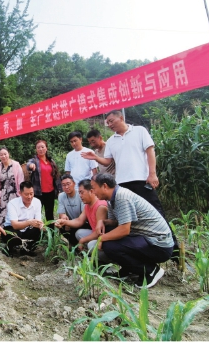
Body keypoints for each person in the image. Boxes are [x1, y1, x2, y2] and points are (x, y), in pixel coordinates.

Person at [81, 110, 179, 261]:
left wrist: (152, 173)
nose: (110, 124)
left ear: (121, 117)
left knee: (157, 214)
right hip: (122, 185)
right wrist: (95, 157)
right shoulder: (111, 141)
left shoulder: (139, 131)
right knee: (124, 220)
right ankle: (136, 250)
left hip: (141, 180)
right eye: (108, 122)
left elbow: (150, 151)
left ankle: (174, 251)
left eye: (112, 120)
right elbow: (108, 162)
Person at [91, 173, 174, 288]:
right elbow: (114, 222)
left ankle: (150, 270)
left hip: (159, 244)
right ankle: (129, 269)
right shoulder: (111, 199)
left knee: (109, 246)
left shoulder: (122, 197)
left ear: (104, 186)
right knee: (108, 230)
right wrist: (101, 222)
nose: (93, 192)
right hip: (143, 237)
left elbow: (124, 230)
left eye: (94, 188)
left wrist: (102, 238)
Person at [55, 179, 108, 257]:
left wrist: (82, 240)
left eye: (82, 192)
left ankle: (106, 263)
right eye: (79, 193)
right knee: (79, 233)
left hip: (104, 238)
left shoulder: (100, 207)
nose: (80, 195)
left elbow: (99, 233)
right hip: (95, 233)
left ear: (91, 191)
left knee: (91, 245)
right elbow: (79, 220)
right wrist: (64, 222)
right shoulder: (87, 205)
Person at [0, 146, 24, 243]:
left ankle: (11, 236)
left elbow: (21, 181)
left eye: (5, 154)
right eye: (1, 154)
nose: (3, 156)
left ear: (8, 154)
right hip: (2, 195)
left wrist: (21, 195)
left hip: (14, 194)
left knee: (13, 215)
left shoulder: (16, 165)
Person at [1, 181, 44, 257]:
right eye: (26, 194)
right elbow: (15, 225)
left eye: (31, 194)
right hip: (12, 229)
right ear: (20, 193)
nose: (29, 197)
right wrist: (29, 222)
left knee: (38, 231)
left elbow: (38, 222)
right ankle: (10, 248)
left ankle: (26, 249)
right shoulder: (12, 203)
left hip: (27, 229)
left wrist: (41, 226)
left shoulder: (37, 202)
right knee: (14, 235)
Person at [27, 140, 62, 227]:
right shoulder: (34, 160)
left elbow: (56, 176)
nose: (40, 149)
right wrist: (31, 166)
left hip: (50, 192)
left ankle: (51, 234)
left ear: (46, 148)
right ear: (36, 150)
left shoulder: (51, 161)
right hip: (38, 193)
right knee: (36, 214)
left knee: (50, 215)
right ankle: (37, 234)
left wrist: (60, 189)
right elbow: (28, 164)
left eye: (42, 147)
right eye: (38, 147)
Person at [56, 174, 85, 246]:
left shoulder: (81, 194)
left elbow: (84, 215)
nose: (66, 187)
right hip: (70, 222)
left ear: (74, 183)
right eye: (63, 185)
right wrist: (64, 219)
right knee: (61, 225)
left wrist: (68, 222)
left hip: (82, 222)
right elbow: (61, 213)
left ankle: (79, 243)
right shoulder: (61, 196)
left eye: (68, 184)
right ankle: (72, 243)